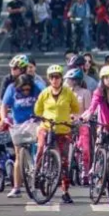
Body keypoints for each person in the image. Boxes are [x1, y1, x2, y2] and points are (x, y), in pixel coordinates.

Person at [34, 65, 79, 203]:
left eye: (57, 77)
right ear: (49, 79)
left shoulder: (68, 92)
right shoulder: (44, 93)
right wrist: (42, 119)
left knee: (64, 161)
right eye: (52, 77)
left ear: (61, 78)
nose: (55, 80)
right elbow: (38, 110)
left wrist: (72, 118)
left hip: (63, 130)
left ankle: (65, 191)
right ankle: (37, 173)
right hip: (47, 127)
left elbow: (76, 109)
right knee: (41, 148)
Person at [2, 74, 40, 198]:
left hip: (33, 122)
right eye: (23, 89)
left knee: (39, 148)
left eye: (28, 89)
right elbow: (4, 106)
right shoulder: (11, 89)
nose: (26, 91)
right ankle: (17, 187)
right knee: (18, 155)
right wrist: (4, 118)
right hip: (17, 124)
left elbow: (44, 100)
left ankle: (39, 178)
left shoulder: (37, 88)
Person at [64, 68, 92, 184]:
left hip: (81, 123)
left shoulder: (85, 92)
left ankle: (85, 172)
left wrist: (82, 118)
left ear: (75, 81)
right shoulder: (65, 93)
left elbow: (88, 110)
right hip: (67, 124)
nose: (68, 82)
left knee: (84, 149)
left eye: (70, 80)